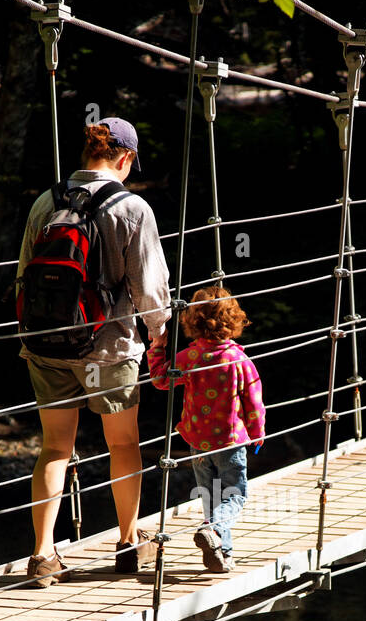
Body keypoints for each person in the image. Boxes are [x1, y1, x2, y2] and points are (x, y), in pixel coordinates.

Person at [17, 117, 170, 586]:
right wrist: (160, 336)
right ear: (124, 159)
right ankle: (128, 541)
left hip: (46, 347)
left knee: (55, 448)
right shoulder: (133, 207)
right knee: (122, 443)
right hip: (109, 352)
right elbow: (149, 287)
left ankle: (43, 555)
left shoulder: (47, 200)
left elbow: (24, 272)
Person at [148, 285, 265, 573]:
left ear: (192, 323)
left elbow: (161, 380)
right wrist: (258, 432)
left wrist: (158, 347)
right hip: (230, 443)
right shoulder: (239, 361)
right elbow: (253, 402)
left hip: (197, 443)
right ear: (235, 321)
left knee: (211, 494)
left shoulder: (190, 357)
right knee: (235, 494)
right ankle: (213, 531)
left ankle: (221, 553)